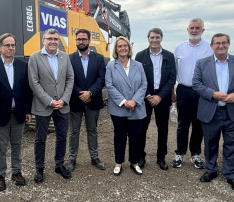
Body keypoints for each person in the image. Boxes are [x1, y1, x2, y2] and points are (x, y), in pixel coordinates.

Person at [193, 33, 234, 193]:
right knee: (210, 143)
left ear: (229, 44)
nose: (221, 45)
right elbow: (196, 84)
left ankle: (231, 174)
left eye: (224, 43)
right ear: (211, 46)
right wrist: (212, 94)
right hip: (211, 111)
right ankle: (211, 170)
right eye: (217, 43)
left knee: (232, 145)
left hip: (233, 111)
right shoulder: (201, 63)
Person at [28, 28, 74, 183]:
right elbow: (34, 83)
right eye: (50, 39)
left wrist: (64, 99)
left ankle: (59, 165)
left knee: (61, 137)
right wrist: (49, 101)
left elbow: (70, 79)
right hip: (44, 106)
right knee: (40, 139)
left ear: (58, 41)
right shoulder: (35, 58)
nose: (53, 41)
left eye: (55, 39)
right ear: (43, 40)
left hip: (63, 105)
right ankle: (39, 168)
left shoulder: (65, 57)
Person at [0, 33, 32, 191]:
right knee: (0, 147)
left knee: (17, 145)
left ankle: (16, 172)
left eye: (13, 45)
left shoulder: (22, 65)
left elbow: (27, 90)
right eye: (7, 45)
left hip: (18, 113)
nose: (11, 48)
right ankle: (0, 175)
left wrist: (28, 110)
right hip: (0, 116)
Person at [172, 18, 213, 169]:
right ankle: (179, 153)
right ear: (187, 30)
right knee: (182, 124)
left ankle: (195, 154)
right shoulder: (179, 48)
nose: (194, 30)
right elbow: (173, 71)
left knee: (199, 124)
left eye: (197, 28)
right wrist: (172, 91)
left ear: (203, 30)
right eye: (191, 28)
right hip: (183, 89)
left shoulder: (209, 48)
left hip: (202, 92)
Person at [105, 36, 147, 176]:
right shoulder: (111, 65)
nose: (123, 48)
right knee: (120, 136)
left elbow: (143, 85)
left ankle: (134, 162)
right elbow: (109, 86)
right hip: (118, 108)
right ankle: (118, 162)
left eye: (125, 46)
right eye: (119, 46)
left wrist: (134, 101)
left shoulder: (138, 65)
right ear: (116, 49)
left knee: (135, 136)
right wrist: (124, 102)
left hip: (136, 107)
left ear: (129, 48)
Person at [135, 28, 176, 171]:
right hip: (145, 97)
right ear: (148, 39)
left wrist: (160, 96)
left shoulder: (169, 56)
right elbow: (137, 78)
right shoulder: (140, 56)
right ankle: (141, 157)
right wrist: (148, 95)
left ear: (161, 38)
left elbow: (172, 78)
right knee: (142, 128)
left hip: (162, 97)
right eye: (152, 37)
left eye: (157, 37)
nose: (154, 40)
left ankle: (161, 157)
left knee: (163, 128)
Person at [65, 29, 106, 172]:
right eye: (78, 39)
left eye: (83, 39)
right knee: (74, 132)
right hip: (75, 100)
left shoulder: (99, 58)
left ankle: (94, 157)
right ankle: (72, 159)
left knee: (92, 130)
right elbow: (68, 79)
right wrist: (79, 93)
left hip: (93, 100)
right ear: (75, 41)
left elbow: (102, 79)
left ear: (89, 40)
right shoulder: (68, 59)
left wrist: (90, 92)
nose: (81, 42)